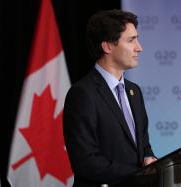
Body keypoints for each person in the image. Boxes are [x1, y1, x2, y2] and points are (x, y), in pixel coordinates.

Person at [63, 9, 157, 187]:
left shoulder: (134, 91)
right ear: (107, 46)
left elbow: (143, 145)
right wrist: (140, 173)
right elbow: (86, 162)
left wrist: (150, 159)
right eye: (131, 40)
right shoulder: (83, 94)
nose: (139, 47)